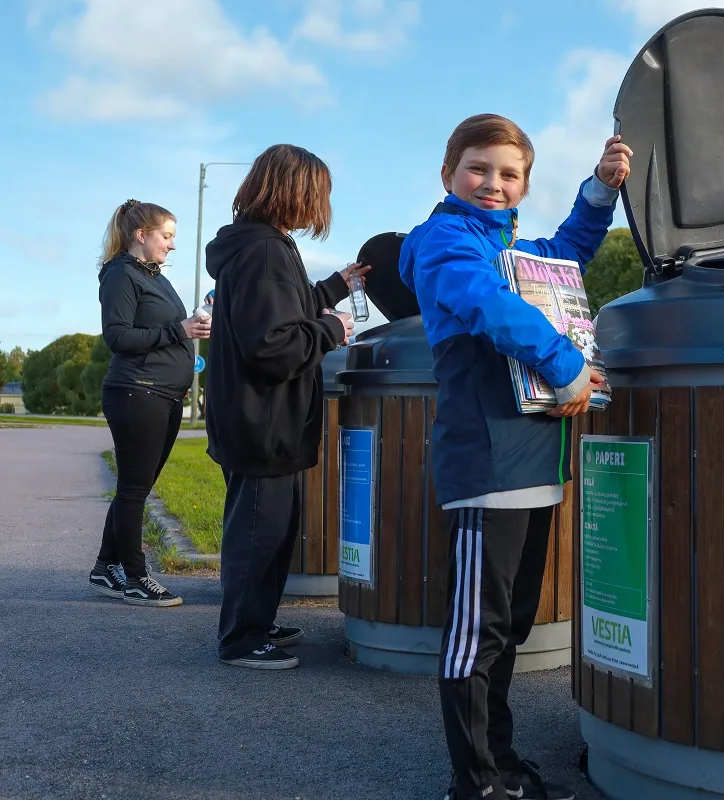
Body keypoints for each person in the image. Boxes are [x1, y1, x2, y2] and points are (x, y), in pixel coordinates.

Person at [399, 114, 631, 800]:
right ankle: (475, 783)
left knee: (509, 627)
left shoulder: (506, 245)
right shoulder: (443, 240)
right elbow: (485, 302)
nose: (493, 184)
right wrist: (566, 367)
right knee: (479, 635)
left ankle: (499, 761)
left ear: (525, 182)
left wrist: (600, 190)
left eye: (509, 174)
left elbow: (561, 257)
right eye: (478, 169)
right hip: (488, 466)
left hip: (535, 463)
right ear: (448, 176)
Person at [203, 143, 370, 670]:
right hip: (264, 419)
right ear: (295, 191)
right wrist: (334, 328)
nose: (320, 205)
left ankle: (256, 619)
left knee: (270, 528)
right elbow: (273, 344)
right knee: (260, 532)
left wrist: (335, 288)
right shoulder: (266, 251)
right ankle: (242, 639)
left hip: (255, 417)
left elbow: (282, 307)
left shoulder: (259, 247)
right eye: (317, 193)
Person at [89, 199, 210, 608]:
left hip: (163, 394)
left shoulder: (153, 275)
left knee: (135, 488)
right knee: (134, 490)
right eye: (167, 236)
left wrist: (192, 326)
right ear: (142, 235)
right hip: (136, 392)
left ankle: (107, 567)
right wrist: (179, 330)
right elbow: (118, 337)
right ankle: (137, 578)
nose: (172, 245)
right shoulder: (122, 274)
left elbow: (168, 328)